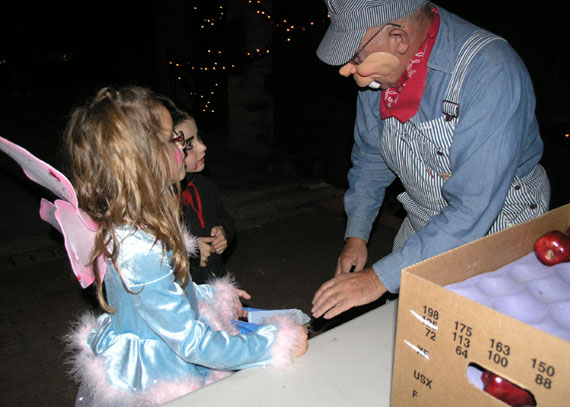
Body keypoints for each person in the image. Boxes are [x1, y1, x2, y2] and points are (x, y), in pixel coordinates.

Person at [63, 86, 307, 406]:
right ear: (142, 160)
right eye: (172, 139)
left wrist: (214, 296)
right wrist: (275, 342)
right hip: (160, 374)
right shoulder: (140, 248)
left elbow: (168, 295)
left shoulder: (138, 224)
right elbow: (191, 343)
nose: (182, 145)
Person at [311, 0, 550, 320]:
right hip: (425, 218)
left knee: (476, 327)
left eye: (356, 57)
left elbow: (471, 208)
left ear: (398, 39)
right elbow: (370, 158)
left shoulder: (491, 71)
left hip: (497, 222)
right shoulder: (380, 73)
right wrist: (357, 234)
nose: (349, 70)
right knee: (410, 323)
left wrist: (378, 278)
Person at [161, 98, 235, 284]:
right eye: (188, 144)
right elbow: (158, 257)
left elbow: (223, 217)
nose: (203, 147)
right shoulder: (159, 201)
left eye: (199, 138)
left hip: (214, 280)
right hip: (185, 291)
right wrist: (192, 252)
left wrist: (223, 231)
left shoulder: (205, 186)